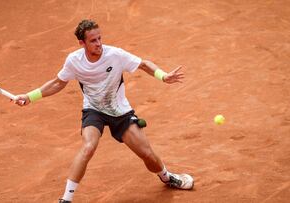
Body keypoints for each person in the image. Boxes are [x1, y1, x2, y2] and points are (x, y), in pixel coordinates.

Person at [14, 19, 193, 203]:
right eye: (93, 40)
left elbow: (144, 64)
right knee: (88, 147)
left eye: (99, 38)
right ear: (82, 43)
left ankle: (166, 176)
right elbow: (58, 82)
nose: (99, 43)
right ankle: (66, 199)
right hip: (93, 110)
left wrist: (163, 76)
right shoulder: (74, 61)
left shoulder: (115, 55)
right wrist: (30, 96)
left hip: (120, 112)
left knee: (146, 153)